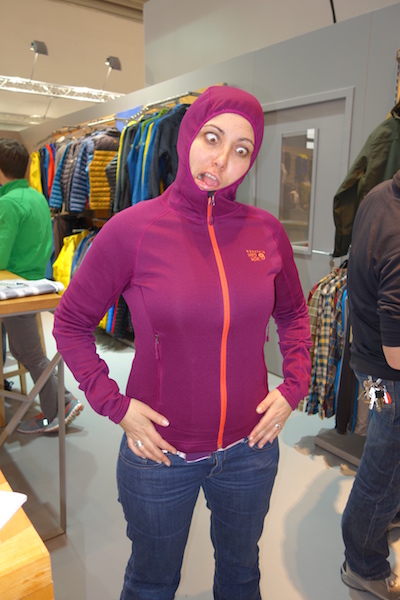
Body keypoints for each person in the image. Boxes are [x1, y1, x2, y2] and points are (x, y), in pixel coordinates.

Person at [53, 86, 311, 600]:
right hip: (160, 455)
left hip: (250, 450)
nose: (222, 160)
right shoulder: (132, 230)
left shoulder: (265, 232)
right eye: (212, 138)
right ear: (189, 133)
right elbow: (71, 323)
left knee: (241, 576)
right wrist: (114, 405)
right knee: (151, 583)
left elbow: (294, 314)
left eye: (241, 149)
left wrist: (293, 387)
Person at [341, 169, 400, 600]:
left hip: (367, 368)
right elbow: (397, 352)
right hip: (389, 375)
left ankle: (385, 513)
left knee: (383, 451)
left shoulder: (381, 194)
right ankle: (363, 564)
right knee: (384, 465)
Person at [0, 138, 83, 433]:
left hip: (13, 290)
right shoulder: (37, 197)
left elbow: (1, 255)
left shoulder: (7, 203)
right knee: (24, 349)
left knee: (28, 353)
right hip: (35, 281)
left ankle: (62, 403)